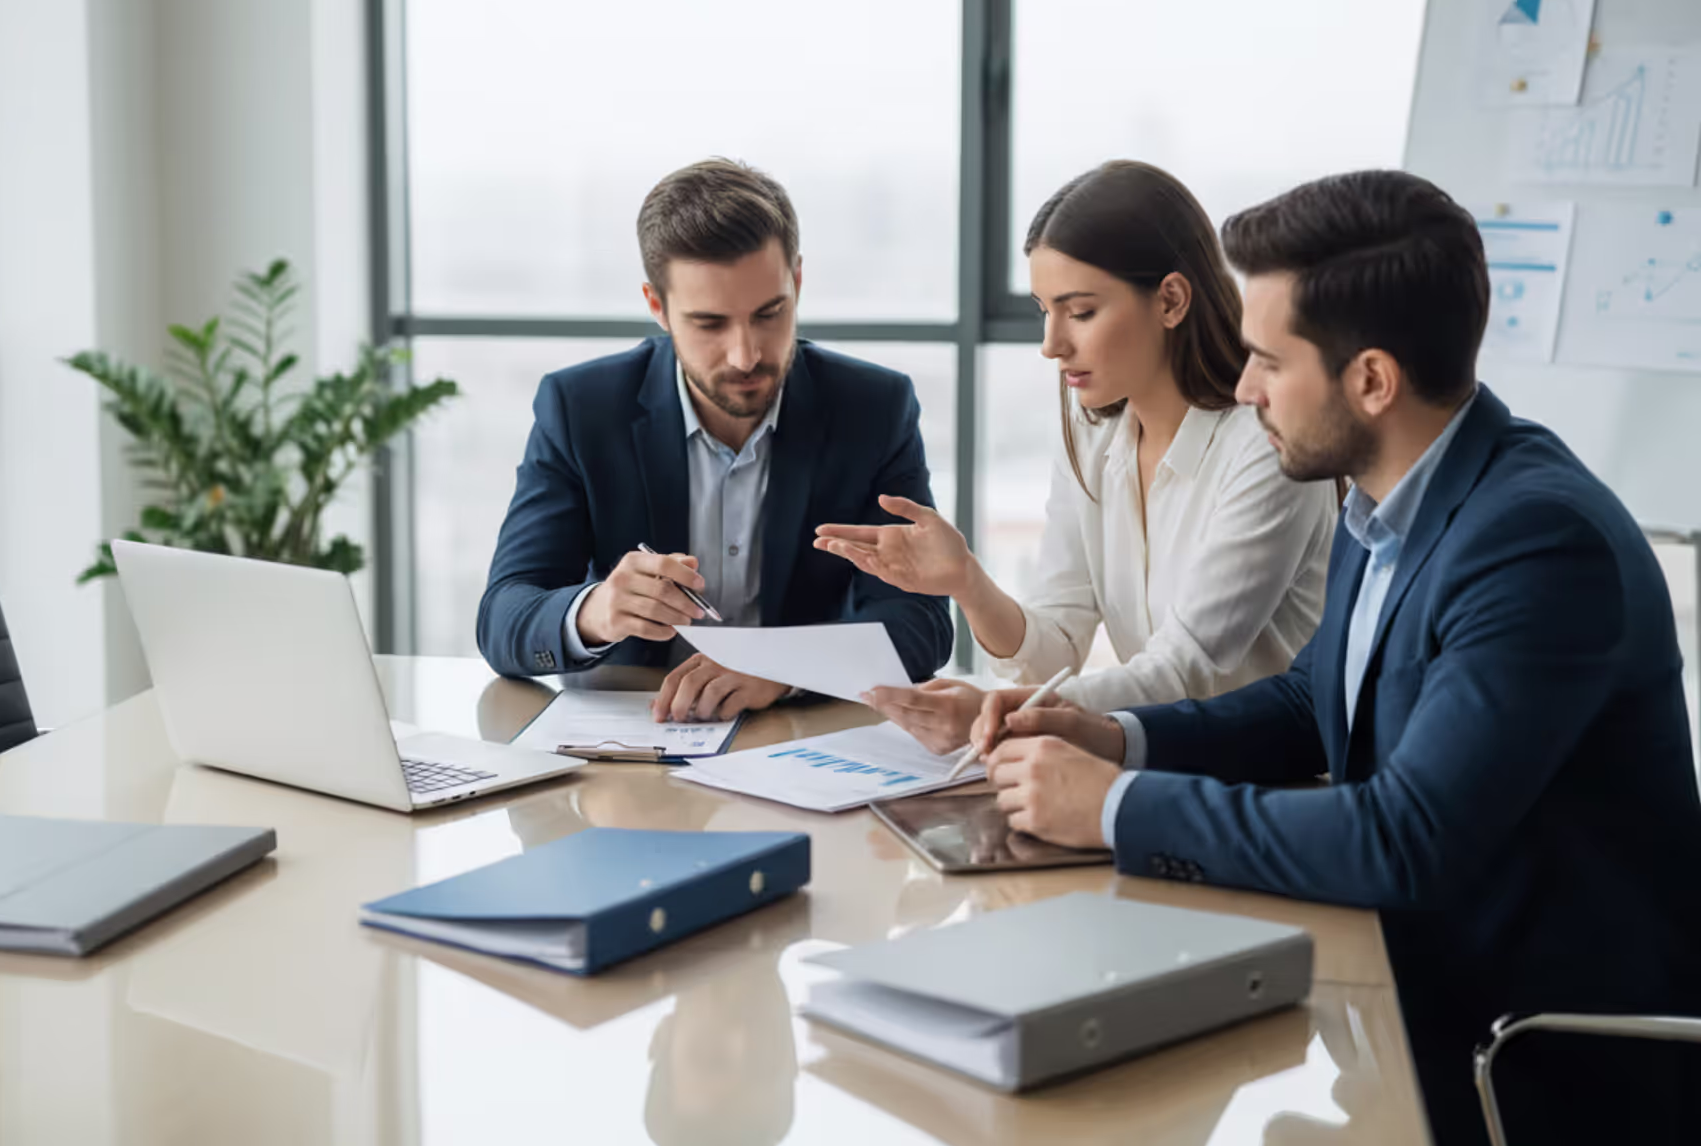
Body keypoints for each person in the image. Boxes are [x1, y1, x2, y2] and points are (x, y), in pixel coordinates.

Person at [974, 169, 1701, 1144]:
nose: (1241, 388)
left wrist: (1108, 804)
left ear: (1369, 379)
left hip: (1524, 1056)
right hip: (1398, 985)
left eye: (1268, 361)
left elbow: (1404, 837)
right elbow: (1309, 699)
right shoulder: (1383, 492)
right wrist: (1115, 736)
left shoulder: (1535, 544)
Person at [814, 160, 1338, 751]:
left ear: (1170, 300)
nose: (1050, 344)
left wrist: (1001, 713)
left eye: (1081, 312)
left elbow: (1186, 668)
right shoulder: (1092, 431)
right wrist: (966, 581)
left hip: (1269, 781)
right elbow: (1054, 651)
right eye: (1044, 310)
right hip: (1153, 764)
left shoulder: (1265, 446)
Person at [477, 158, 953, 715]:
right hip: (628, 750)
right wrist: (595, 611)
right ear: (658, 307)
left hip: (795, 744)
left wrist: (784, 668)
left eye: (770, 313)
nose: (746, 354)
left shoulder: (873, 408)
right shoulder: (580, 409)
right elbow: (503, 617)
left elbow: (920, 624)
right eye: (710, 324)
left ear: (796, 282)